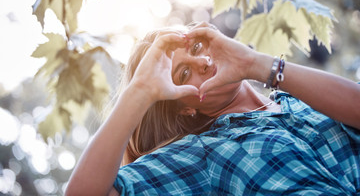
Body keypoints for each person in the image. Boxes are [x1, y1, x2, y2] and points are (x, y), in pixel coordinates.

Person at [65, 22, 360, 196]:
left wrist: (255, 63)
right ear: (185, 109)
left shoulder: (303, 97)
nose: (202, 62)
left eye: (195, 49)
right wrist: (140, 91)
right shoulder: (202, 154)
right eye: (183, 74)